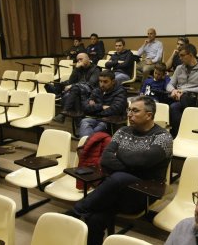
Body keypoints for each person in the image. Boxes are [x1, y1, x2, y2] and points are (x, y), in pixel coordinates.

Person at [68, 96, 173, 245]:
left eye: (135, 111)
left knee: (119, 178)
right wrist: (134, 167)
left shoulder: (163, 137)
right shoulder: (123, 131)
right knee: (94, 218)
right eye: (129, 110)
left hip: (144, 192)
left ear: (149, 115)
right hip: (115, 190)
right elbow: (105, 159)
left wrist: (120, 156)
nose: (129, 114)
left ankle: (75, 211)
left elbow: (142, 161)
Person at [166, 44, 198, 137]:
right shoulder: (179, 68)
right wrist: (173, 90)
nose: (180, 58)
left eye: (182, 55)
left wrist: (183, 91)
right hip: (177, 97)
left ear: (190, 55)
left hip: (194, 98)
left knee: (176, 106)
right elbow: (169, 84)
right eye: (179, 56)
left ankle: (177, 135)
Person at [52, 53, 100, 123]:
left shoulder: (96, 69)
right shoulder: (79, 68)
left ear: (88, 59)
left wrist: (73, 85)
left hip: (90, 91)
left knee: (75, 88)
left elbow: (90, 84)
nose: (79, 61)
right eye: (78, 60)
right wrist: (76, 69)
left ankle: (63, 114)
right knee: (70, 93)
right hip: (78, 90)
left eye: (81, 59)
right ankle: (77, 118)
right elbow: (71, 81)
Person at [78, 70, 128, 138]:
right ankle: (89, 146)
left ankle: (87, 146)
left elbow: (115, 109)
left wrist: (94, 110)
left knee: (98, 129)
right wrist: (101, 107)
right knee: (84, 122)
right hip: (96, 118)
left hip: (110, 121)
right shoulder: (97, 90)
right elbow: (85, 107)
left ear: (113, 82)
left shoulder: (120, 92)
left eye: (105, 82)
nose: (102, 84)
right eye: (100, 81)